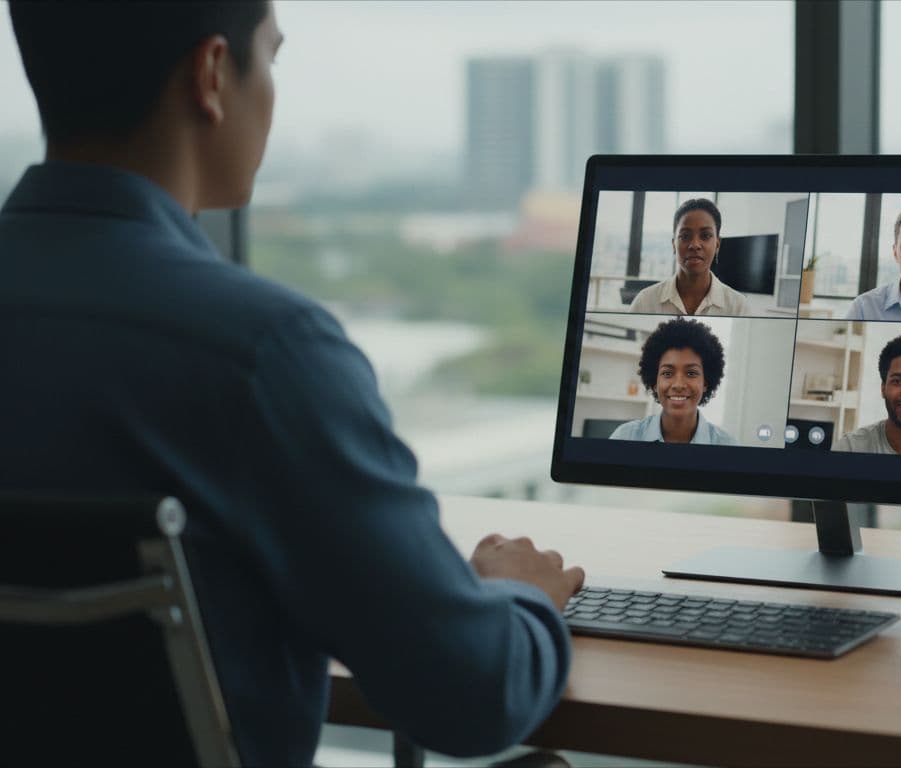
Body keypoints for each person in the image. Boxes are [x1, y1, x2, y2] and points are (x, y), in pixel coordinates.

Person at [0, 3, 582, 765]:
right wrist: (525, 597)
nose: (272, 89)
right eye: (271, 58)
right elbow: (473, 696)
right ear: (212, 76)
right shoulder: (261, 352)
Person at [609, 318, 739, 445]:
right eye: (667, 373)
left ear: (705, 382)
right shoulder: (625, 436)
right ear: (655, 382)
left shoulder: (728, 446)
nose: (678, 385)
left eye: (691, 373)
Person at [628, 197, 749, 316]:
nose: (695, 245)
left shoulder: (737, 306)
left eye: (705, 236)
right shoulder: (645, 302)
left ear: (717, 244)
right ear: (674, 244)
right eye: (685, 236)